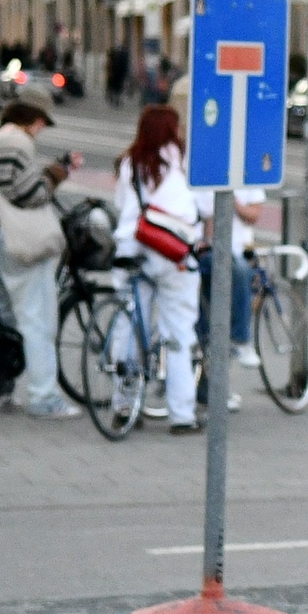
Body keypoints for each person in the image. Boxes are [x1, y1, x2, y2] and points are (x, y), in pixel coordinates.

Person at [0, 88, 81, 419]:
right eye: (42, 123)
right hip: (21, 241)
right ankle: (43, 397)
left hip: (0, 235)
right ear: (35, 119)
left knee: (17, 316)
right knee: (38, 321)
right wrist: (59, 171)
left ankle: (13, 384)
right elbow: (29, 194)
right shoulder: (15, 142)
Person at [109, 105, 205, 432]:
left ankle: (124, 407)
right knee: (178, 332)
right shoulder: (181, 160)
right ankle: (182, 415)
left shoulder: (129, 162)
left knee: (130, 326)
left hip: (132, 248)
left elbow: (123, 206)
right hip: (170, 252)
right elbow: (198, 205)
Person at [193, 184, 268, 412]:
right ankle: (241, 340)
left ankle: (212, 386)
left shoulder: (248, 176)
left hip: (241, 251)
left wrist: (231, 201)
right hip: (213, 253)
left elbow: (253, 214)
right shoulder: (207, 174)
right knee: (212, 321)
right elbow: (208, 221)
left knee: (221, 319)